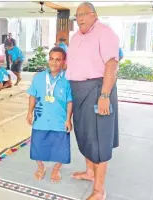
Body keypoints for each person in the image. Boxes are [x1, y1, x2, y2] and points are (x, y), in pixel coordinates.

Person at [66, 2, 119, 200]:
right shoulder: (76, 36)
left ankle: (99, 190)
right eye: (76, 15)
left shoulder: (105, 32)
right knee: (85, 135)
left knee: (99, 140)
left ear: (94, 15)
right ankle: (89, 172)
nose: (79, 18)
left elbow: (111, 65)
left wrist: (104, 96)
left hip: (98, 90)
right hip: (78, 91)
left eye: (83, 14)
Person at [26, 47, 73, 183]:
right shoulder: (39, 77)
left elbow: (70, 101)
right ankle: (41, 167)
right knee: (37, 146)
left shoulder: (67, 80)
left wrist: (68, 119)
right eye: (51, 59)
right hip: (41, 119)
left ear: (64, 62)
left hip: (59, 121)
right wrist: (29, 112)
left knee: (61, 148)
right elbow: (32, 96)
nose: (54, 63)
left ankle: (56, 169)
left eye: (58, 60)